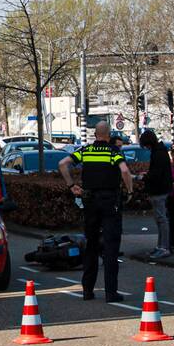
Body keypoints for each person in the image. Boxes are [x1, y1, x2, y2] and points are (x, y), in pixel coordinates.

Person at [59, 121, 134, 302]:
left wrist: (71, 185)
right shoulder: (113, 152)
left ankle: (87, 291)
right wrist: (129, 190)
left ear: (95, 134)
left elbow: (63, 163)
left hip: (90, 201)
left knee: (91, 245)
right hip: (110, 202)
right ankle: (111, 292)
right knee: (111, 246)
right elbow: (124, 171)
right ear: (108, 135)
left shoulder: (86, 151)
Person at [139, 129, 172, 259]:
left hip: (158, 190)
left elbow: (156, 174)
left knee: (161, 219)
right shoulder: (161, 151)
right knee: (160, 219)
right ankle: (161, 246)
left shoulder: (157, 154)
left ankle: (163, 247)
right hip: (162, 189)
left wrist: (145, 177)